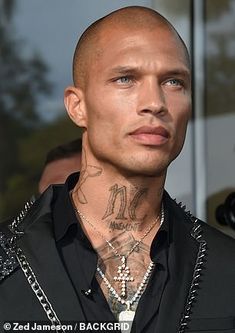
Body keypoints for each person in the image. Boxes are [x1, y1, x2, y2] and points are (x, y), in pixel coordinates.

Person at [0, 6, 235, 333]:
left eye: (173, 81)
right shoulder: (8, 259)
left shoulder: (225, 267)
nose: (155, 102)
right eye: (126, 78)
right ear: (77, 106)